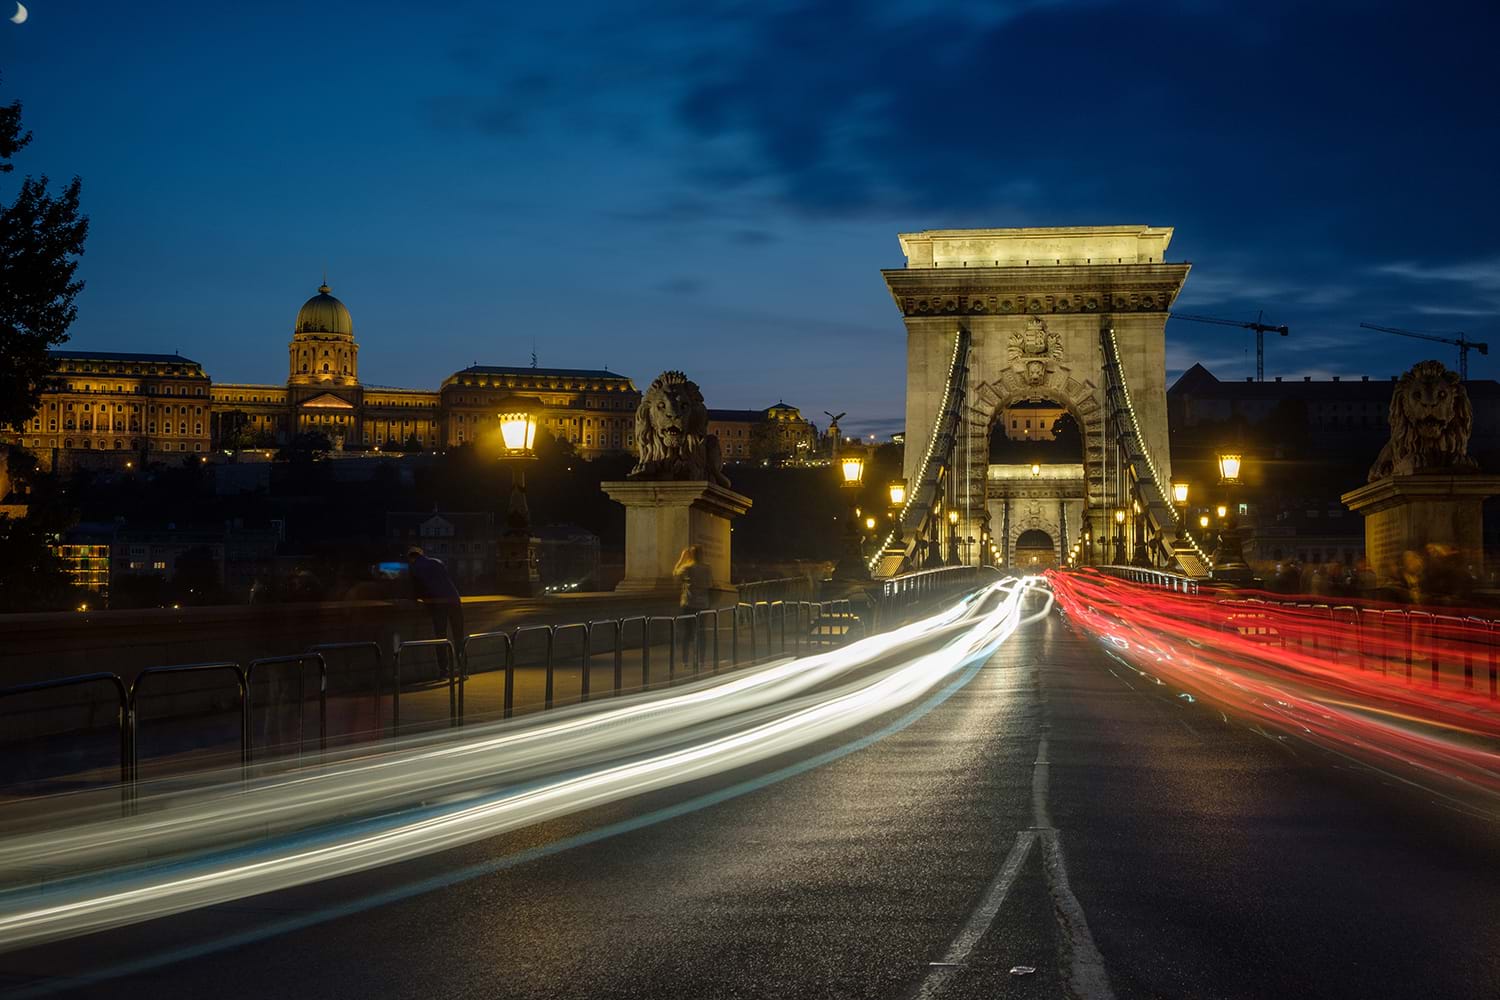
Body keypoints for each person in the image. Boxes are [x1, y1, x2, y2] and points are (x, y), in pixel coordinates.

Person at [406, 546, 465, 676]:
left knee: (441, 637)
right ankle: (462, 667)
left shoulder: (414, 568)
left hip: (438, 603)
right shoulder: (437, 562)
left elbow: (416, 589)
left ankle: (444, 669)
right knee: (459, 636)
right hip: (454, 599)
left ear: (411, 558)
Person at [674, 545, 712, 667]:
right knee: (701, 632)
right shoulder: (707, 568)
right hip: (703, 603)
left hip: (689, 603)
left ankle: (686, 660)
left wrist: (681, 558)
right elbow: (710, 584)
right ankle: (701, 660)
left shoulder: (688, 568)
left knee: (688, 632)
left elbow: (675, 574)